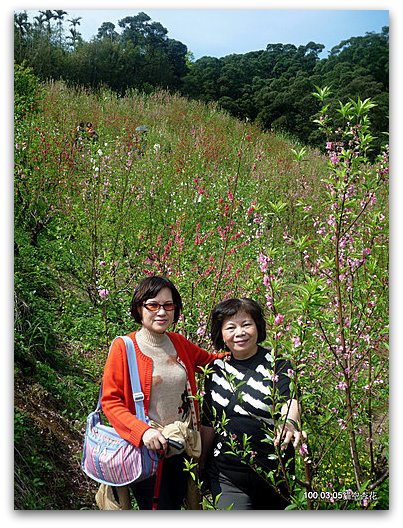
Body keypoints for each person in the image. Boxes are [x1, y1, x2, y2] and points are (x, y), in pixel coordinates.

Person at [101, 275, 224, 510]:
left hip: (179, 447)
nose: (161, 312)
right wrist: (142, 432)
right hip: (146, 449)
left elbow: (211, 362)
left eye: (168, 306)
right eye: (153, 305)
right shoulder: (124, 347)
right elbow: (111, 401)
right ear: (140, 308)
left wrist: (250, 354)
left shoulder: (178, 342)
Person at [200, 298, 305, 510]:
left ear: (258, 326)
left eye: (246, 324)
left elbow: (291, 401)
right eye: (231, 327)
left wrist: (289, 423)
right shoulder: (215, 370)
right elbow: (208, 422)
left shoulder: (280, 365)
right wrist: (199, 466)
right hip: (227, 474)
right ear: (221, 334)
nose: (240, 332)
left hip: (275, 473)